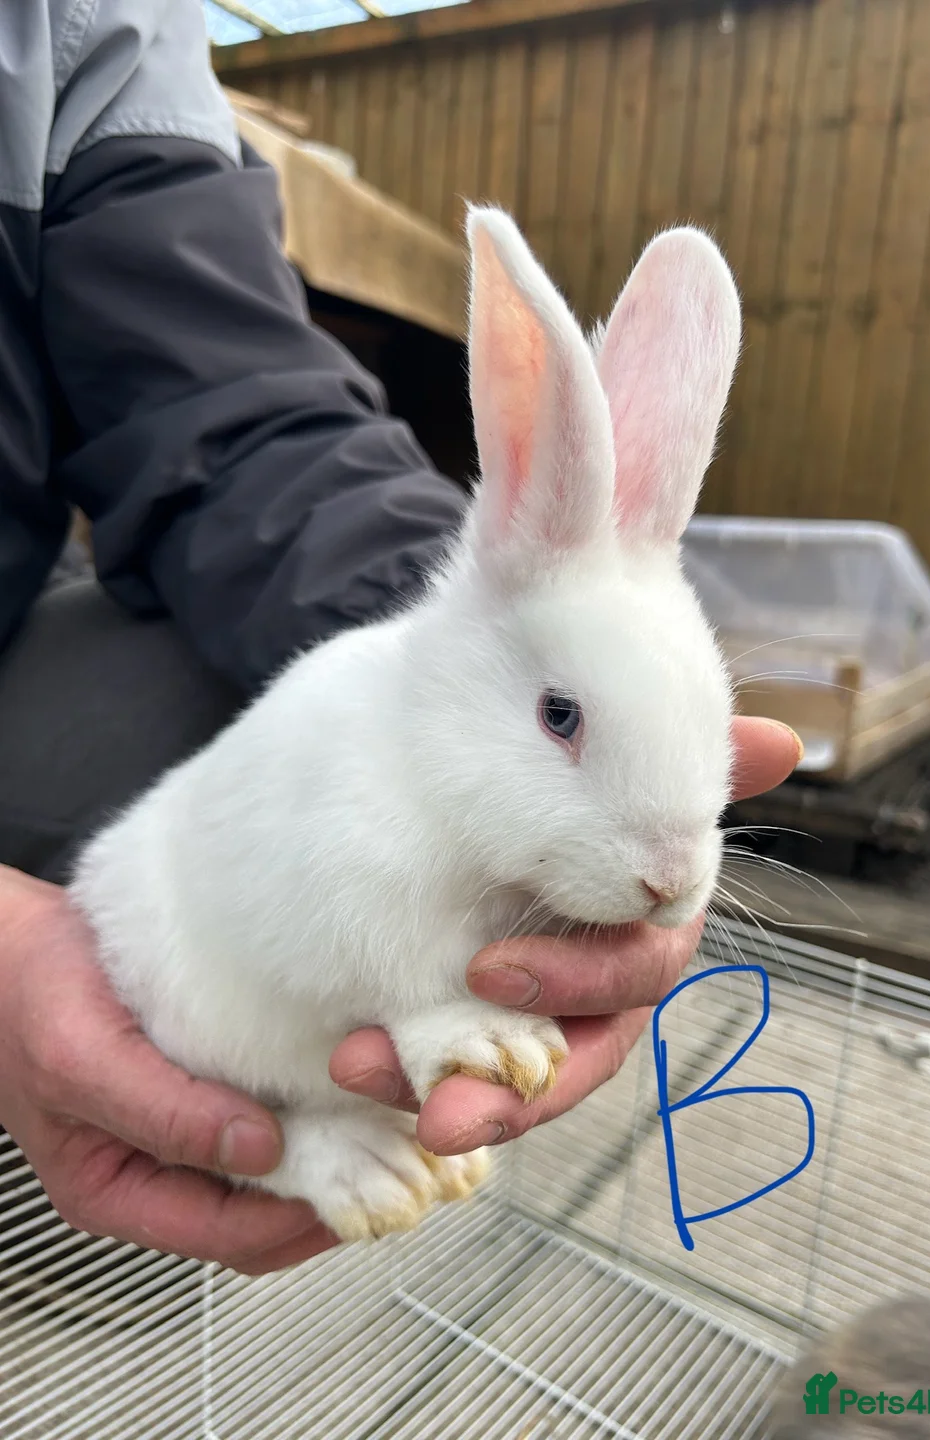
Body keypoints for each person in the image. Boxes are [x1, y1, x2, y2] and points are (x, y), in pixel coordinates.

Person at [0, 0, 800, 1276]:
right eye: (562, 723)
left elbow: (232, 406)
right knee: (191, 962)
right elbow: (319, 918)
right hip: (198, 947)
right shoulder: (371, 768)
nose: (674, 875)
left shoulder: (83, 29)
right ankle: (278, 1135)